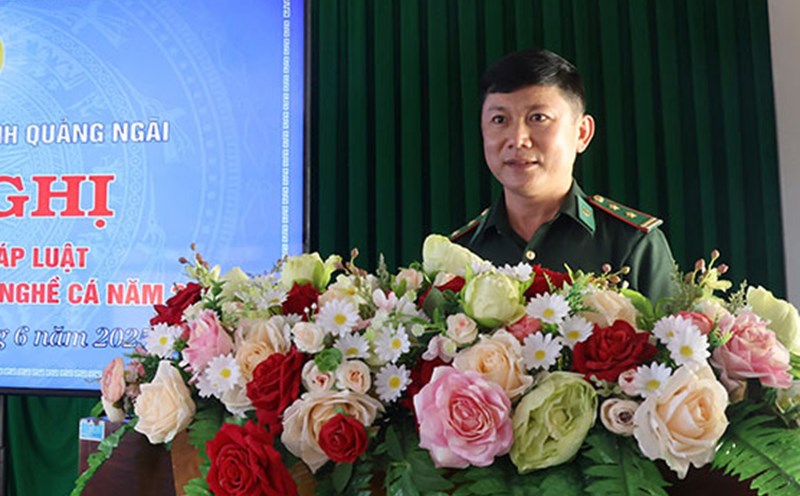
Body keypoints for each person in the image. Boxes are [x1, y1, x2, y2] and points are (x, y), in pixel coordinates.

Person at [451, 48, 674, 302]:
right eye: (500, 120)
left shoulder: (631, 245)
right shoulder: (461, 253)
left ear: (582, 133)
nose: (517, 139)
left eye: (538, 118)